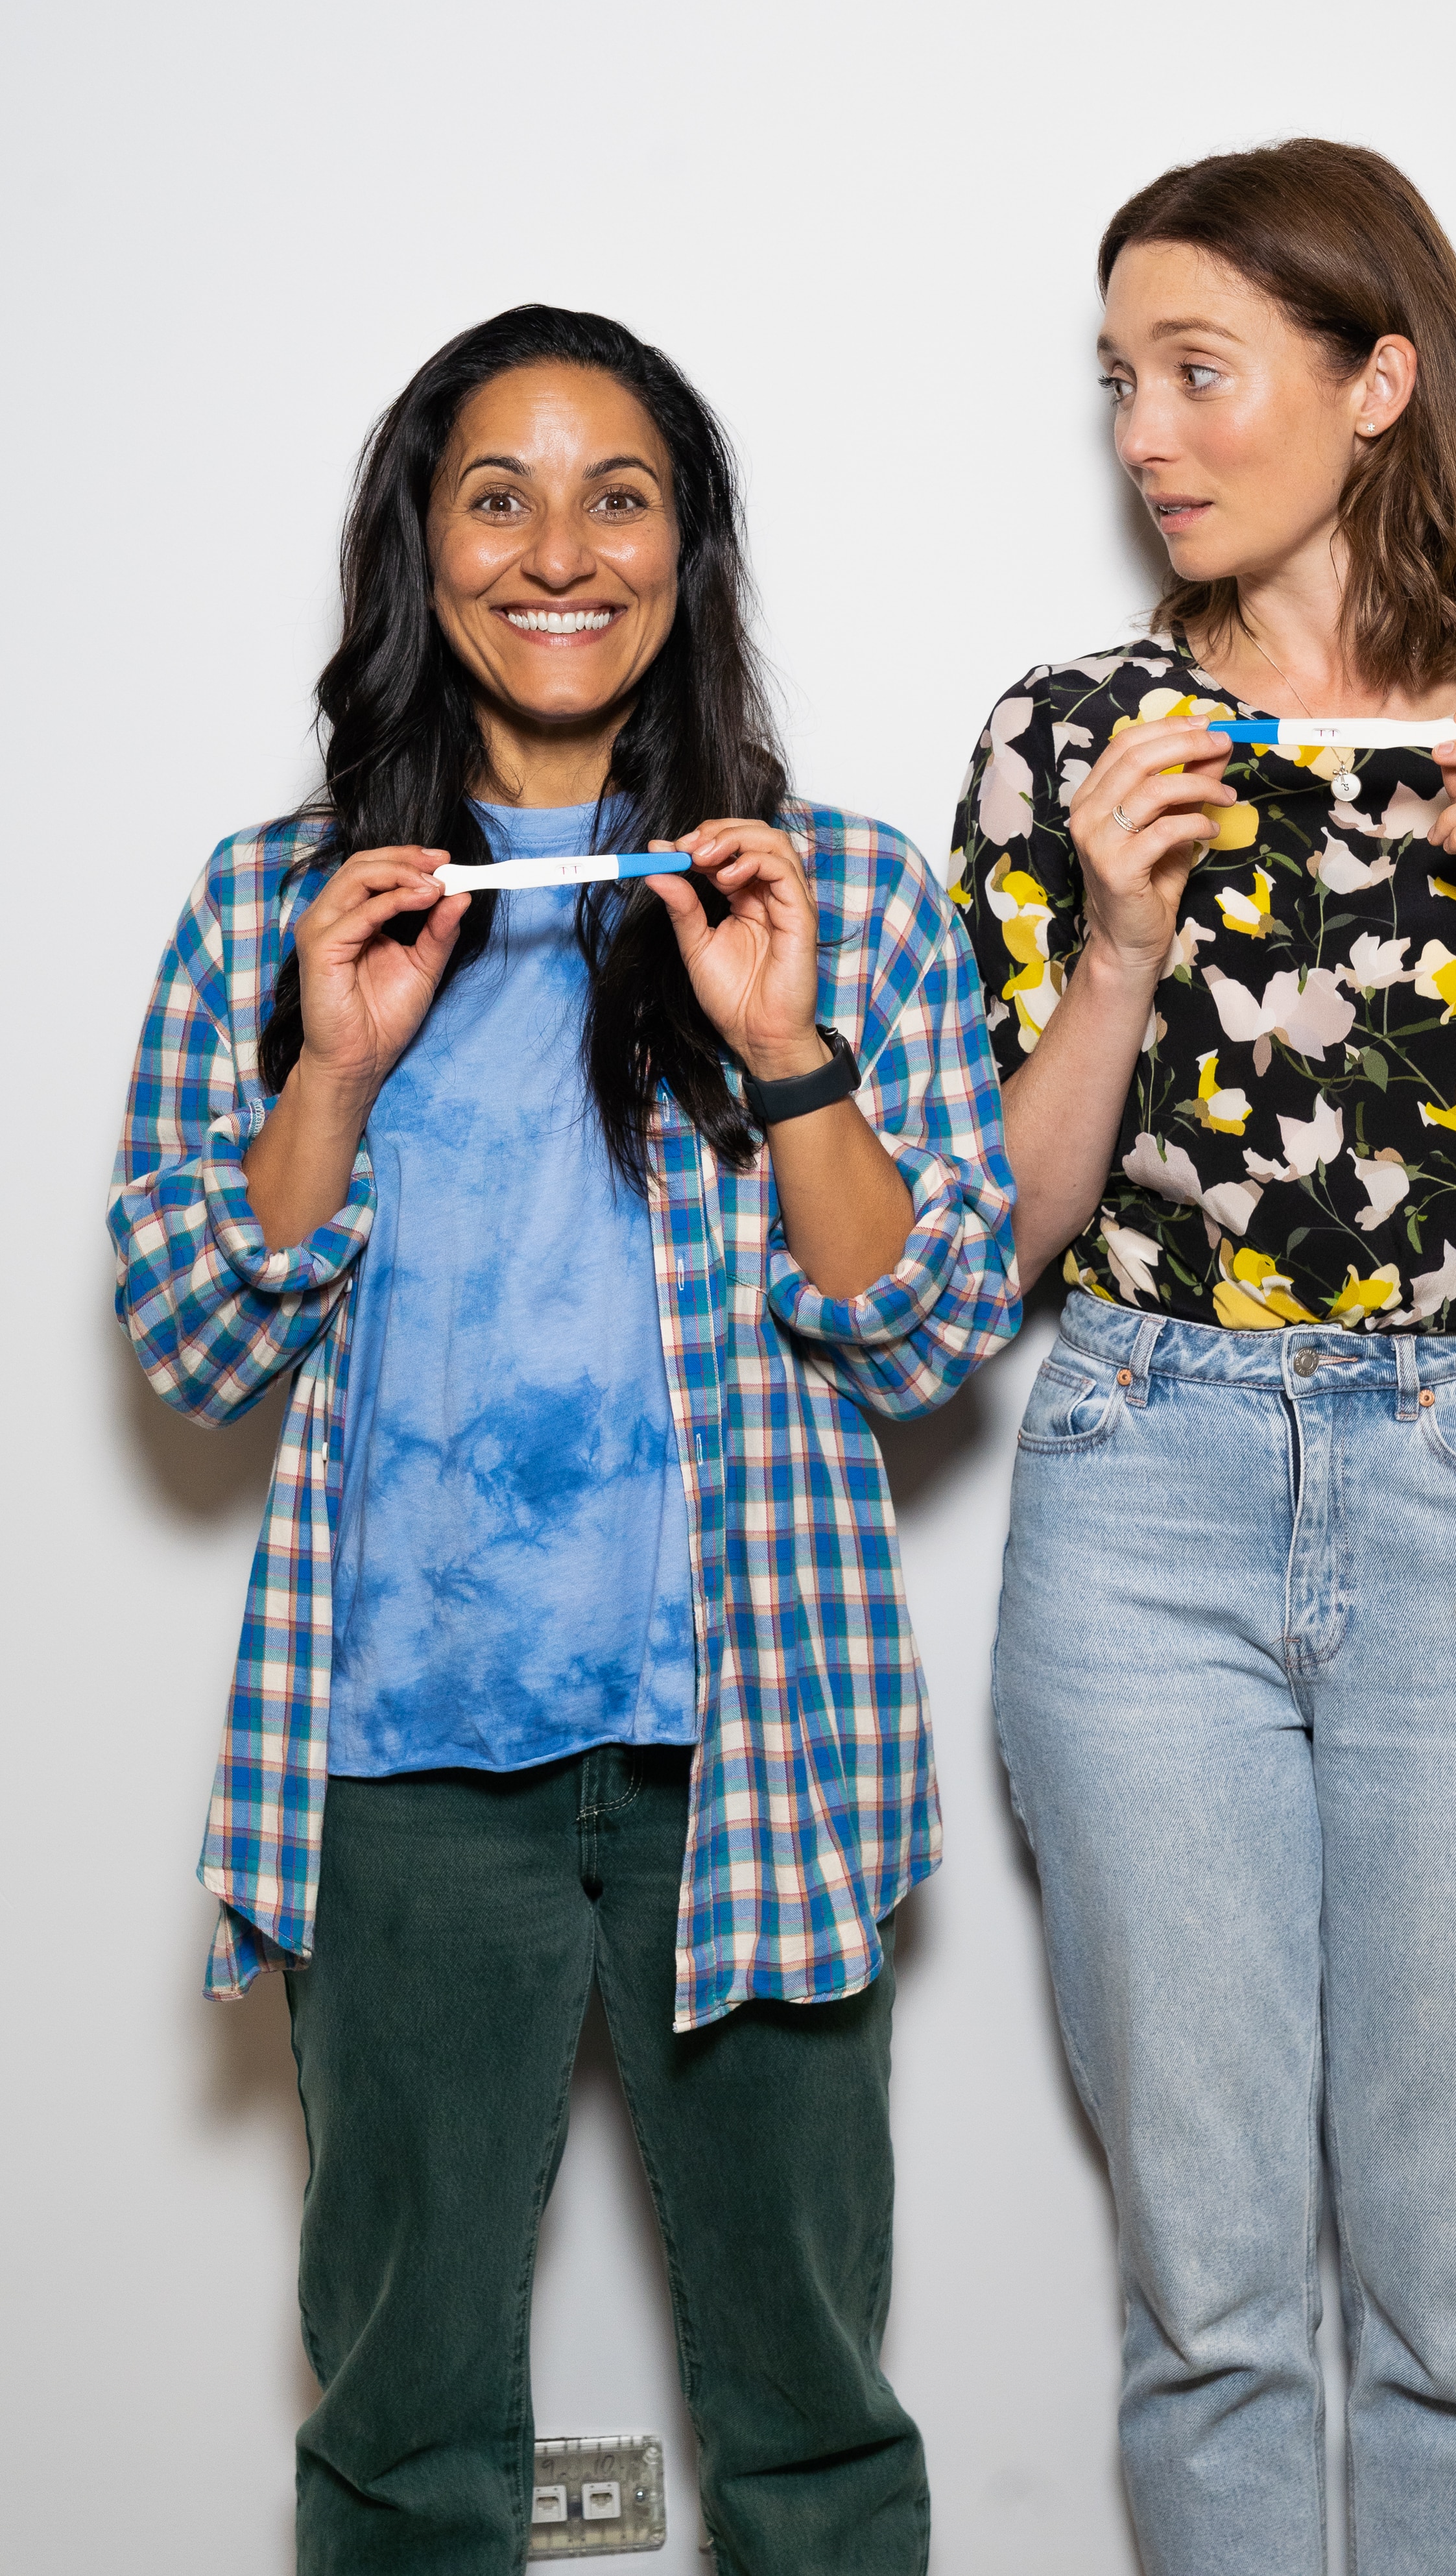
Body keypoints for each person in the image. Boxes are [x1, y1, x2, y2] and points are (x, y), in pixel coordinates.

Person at [110, 304, 1016, 2575]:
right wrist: (330, 1069)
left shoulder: (854, 897)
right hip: (404, 1766)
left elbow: (926, 1330)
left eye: (619, 495)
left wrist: (788, 1049)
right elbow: (194, 1350)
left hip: (760, 1751)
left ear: (688, 553)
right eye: (495, 493)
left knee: (812, 2412)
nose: (558, 548)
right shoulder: (266, 902)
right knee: (407, 2422)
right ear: (421, 546)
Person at [951, 141, 1456, 2576]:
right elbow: (999, 1245)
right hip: (1137, 1466)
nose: (1147, 438)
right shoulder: (1072, 741)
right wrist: (1107, 937)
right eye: (1118, 386)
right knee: (1210, 2302)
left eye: (1199, 373)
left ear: (1378, 381)